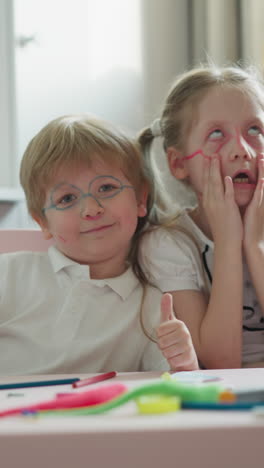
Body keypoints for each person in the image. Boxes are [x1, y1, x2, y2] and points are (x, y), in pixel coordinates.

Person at [0, 114, 198, 375]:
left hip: (97, 414)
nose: (91, 209)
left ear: (140, 199)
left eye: (106, 188)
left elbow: (173, 384)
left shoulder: (151, 306)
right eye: (67, 198)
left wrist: (184, 361)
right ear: (43, 222)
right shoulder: (9, 274)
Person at [138, 64, 264, 369]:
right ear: (179, 163)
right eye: (217, 134)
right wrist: (229, 242)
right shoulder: (168, 243)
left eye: (255, 130)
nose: (242, 150)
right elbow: (221, 362)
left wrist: (255, 246)